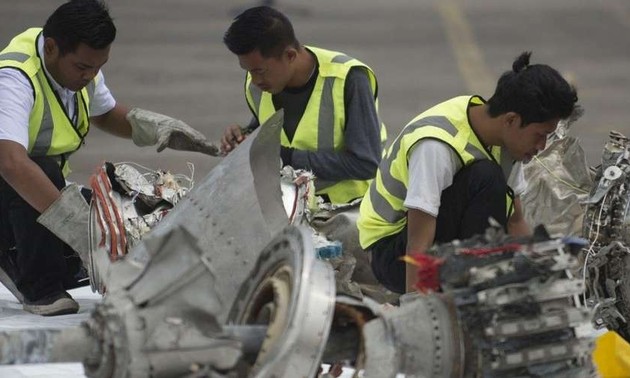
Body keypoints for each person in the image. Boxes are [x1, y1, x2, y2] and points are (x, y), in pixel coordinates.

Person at [0, 0, 218, 316]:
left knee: (120, 215)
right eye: (83, 68)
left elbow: (105, 113)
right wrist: (77, 227)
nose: (91, 76)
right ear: (51, 49)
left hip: (29, 194)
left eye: (99, 67)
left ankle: (32, 259)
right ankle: (38, 285)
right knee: (45, 176)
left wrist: (156, 128)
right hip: (10, 187)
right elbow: (11, 164)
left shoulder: (75, 66)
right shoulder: (13, 79)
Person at [357, 52, 578, 294]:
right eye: (540, 135)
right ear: (511, 120)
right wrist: (417, 312)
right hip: (394, 254)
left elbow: (515, 220)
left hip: (433, 240)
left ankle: (481, 282)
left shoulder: (503, 139)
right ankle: (476, 289)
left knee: (489, 182)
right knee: (485, 177)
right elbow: (418, 240)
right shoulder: (436, 146)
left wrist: (545, 279)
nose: (542, 146)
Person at [220, 6, 386, 205]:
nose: (254, 80)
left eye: (260, 70)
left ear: (290, 56)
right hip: (291, 206)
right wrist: (245, 137)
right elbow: (272, 126)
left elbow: (365, 163)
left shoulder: (349, 79)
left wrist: (284, 157)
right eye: (248, 70)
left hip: (351, 209)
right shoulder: (258, 85)